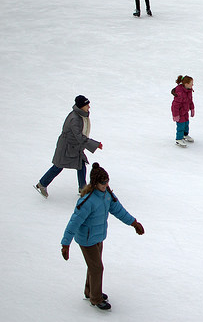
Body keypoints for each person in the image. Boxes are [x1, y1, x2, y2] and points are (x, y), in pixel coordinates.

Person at [61, 163, 145, 310]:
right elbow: (73, 223)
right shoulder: (87, 202)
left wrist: (134, 223)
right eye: (102, 183)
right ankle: (96, 298)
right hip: (86, 240)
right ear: (95, 183)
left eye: (107, 181)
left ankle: (90, 291)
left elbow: (119, 210)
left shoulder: (107, 195)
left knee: (94, 266)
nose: (106, 185)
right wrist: (65, 244)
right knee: (97, 268)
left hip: (98, 237)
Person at [34, 95, 102, 198]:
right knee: (58, 166)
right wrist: (95, 145)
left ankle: (83, 189)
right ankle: (42, 184)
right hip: (67, 147)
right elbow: (79, 136)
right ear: (81, 106)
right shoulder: (75, 119)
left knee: (81, 165)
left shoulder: (81, 115)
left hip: (74, 147)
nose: (89, 106)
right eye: (87, 104)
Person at [171, 75, 195, 148]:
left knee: (186, 124)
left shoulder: (189, 91)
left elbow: (190, 100)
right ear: (186, 84)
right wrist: (175, 115)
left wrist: (192, 108)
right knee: (180, 126)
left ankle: (185, 135)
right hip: (180, 113)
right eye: (191, 83)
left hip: (185, 111)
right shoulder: (180, 93)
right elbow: (175, 105)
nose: (192, 85)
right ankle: (179, 139)